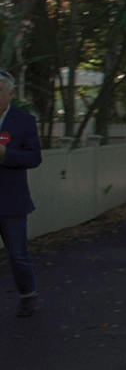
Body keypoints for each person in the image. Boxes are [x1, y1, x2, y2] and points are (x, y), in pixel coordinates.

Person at [0, 69, 43, 318]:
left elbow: (34, 157)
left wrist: (6, 155)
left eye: (0, 91)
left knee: (18, 254)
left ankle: (28, 296)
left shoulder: (24, 120)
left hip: (12, 200)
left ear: (11, 93)